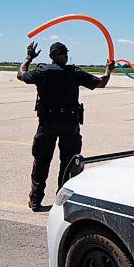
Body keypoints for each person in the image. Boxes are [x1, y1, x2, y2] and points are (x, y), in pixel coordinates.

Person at [17, 41, 115, 212]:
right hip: (69, 123)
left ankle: (35, 200)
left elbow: (21, 74)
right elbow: (101, 82)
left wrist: (28, 58)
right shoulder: (73, 72)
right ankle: (62, 200)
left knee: (41, 161)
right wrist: (108, 69)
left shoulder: (41, 71)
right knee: (68, 163)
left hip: (47, 123)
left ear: (50, 56)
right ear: (65, 55)